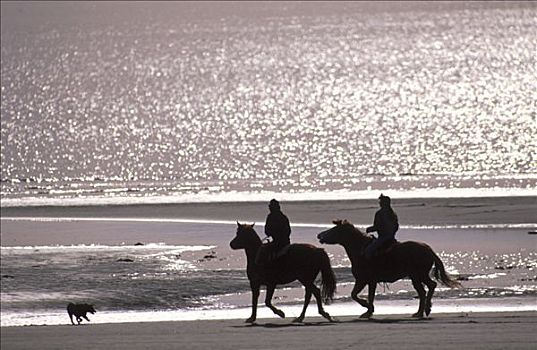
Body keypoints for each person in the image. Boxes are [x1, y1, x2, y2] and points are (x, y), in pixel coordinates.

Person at [256, 199, 291, 264]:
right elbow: (288, 231)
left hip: (277, 242)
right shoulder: (284, 217)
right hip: (286, 241)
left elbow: (267, 231)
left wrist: (272, 234)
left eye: (270, 207)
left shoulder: (270, 217)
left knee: (262, 250)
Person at [364, 194, 399, 259]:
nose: (379, 203)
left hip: (383, 238)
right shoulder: (392, 213)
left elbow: (378, 226)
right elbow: (396, 226)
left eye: (380, 202)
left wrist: (369, 229)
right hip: (392, 237)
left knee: (368, 250)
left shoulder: (379, 213)